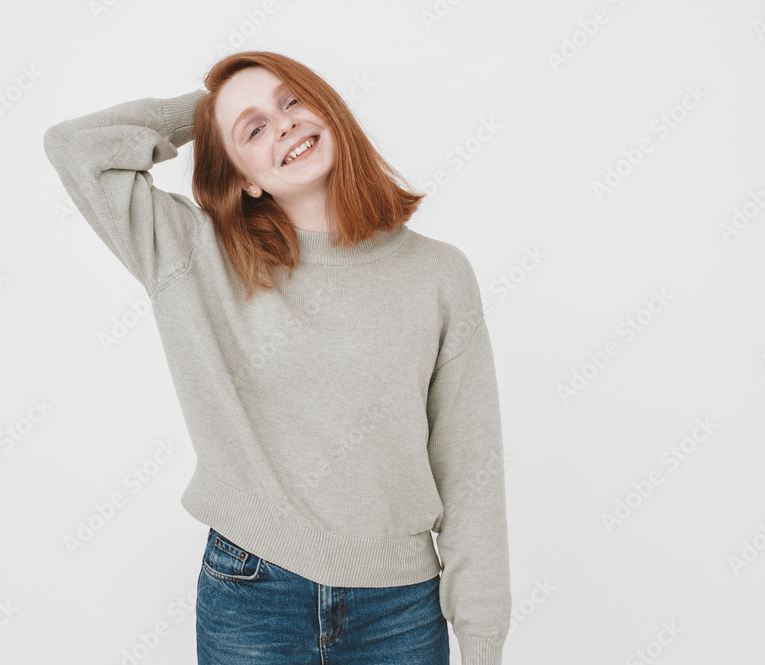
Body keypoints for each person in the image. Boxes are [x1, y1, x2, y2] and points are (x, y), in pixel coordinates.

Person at [43, 50, 511, 665]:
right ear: (244, 178)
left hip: (400, 608)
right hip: (253, 595)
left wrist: (481, 635)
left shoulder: (439, 274)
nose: (284, 123)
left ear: (330, 109)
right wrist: (209, 111)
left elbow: (470, 467)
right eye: (255, 129)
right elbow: (76, 148)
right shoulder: (193, 253)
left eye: (294, 100)